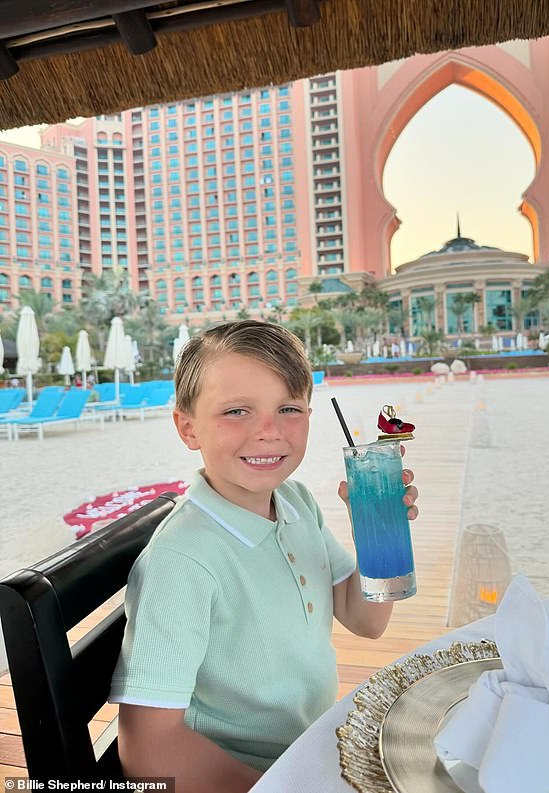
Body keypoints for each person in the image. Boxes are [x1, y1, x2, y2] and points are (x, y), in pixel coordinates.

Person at [109, 320, 419, 792]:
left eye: (288, 408)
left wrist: (374, 538)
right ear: (187, 428)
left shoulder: (295, 502)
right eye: (237, 411)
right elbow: (148, 751)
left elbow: (366, 620)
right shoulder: (183, 559)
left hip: (311, 745)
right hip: (253, 774)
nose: (269, 432)